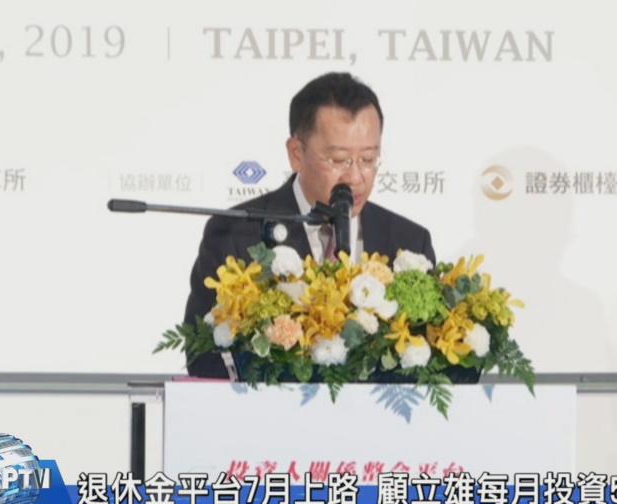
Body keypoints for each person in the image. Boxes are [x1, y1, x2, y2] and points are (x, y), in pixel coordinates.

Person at [182, 72, 478, 384]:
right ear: (296, 154)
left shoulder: (408, 241)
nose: (356, 177)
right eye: (338, 160)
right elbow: (202, 356)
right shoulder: (235, 233)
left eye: (368, 159)